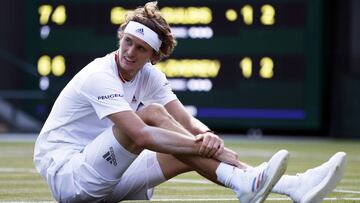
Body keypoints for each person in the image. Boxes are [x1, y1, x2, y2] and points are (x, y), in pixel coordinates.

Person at [33, 1, 346, 203]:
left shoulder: (149, 77)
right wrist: (203, 145)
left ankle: (292, 186)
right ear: (121, 38)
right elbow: (142, 134)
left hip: (109, 177)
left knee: (184, 148)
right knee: (154, 116)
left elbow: (187, 123)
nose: (130, 52)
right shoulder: (99, 75)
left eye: (141, 48)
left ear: (153, 56)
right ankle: (248, 182)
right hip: (71, 178)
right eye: (128, 42)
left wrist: (207, 136)